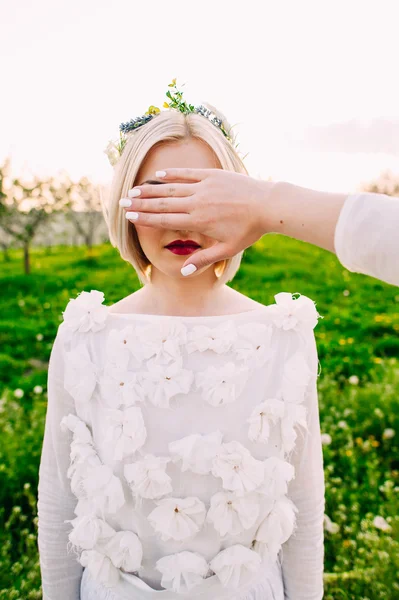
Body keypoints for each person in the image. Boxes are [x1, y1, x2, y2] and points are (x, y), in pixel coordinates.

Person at [37, 80, 325, 600]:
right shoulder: (86, 337)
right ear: (125, 204)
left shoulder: (282, 337)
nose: (181, 217)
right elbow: (59, 504)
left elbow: (302, 508)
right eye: (158, 194)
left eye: (202, 194)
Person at [120, 170, 399, 288]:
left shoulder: (284, 333)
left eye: (209, 199)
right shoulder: (82, 338)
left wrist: (267, 202)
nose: (185, 223)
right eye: (158, 200)